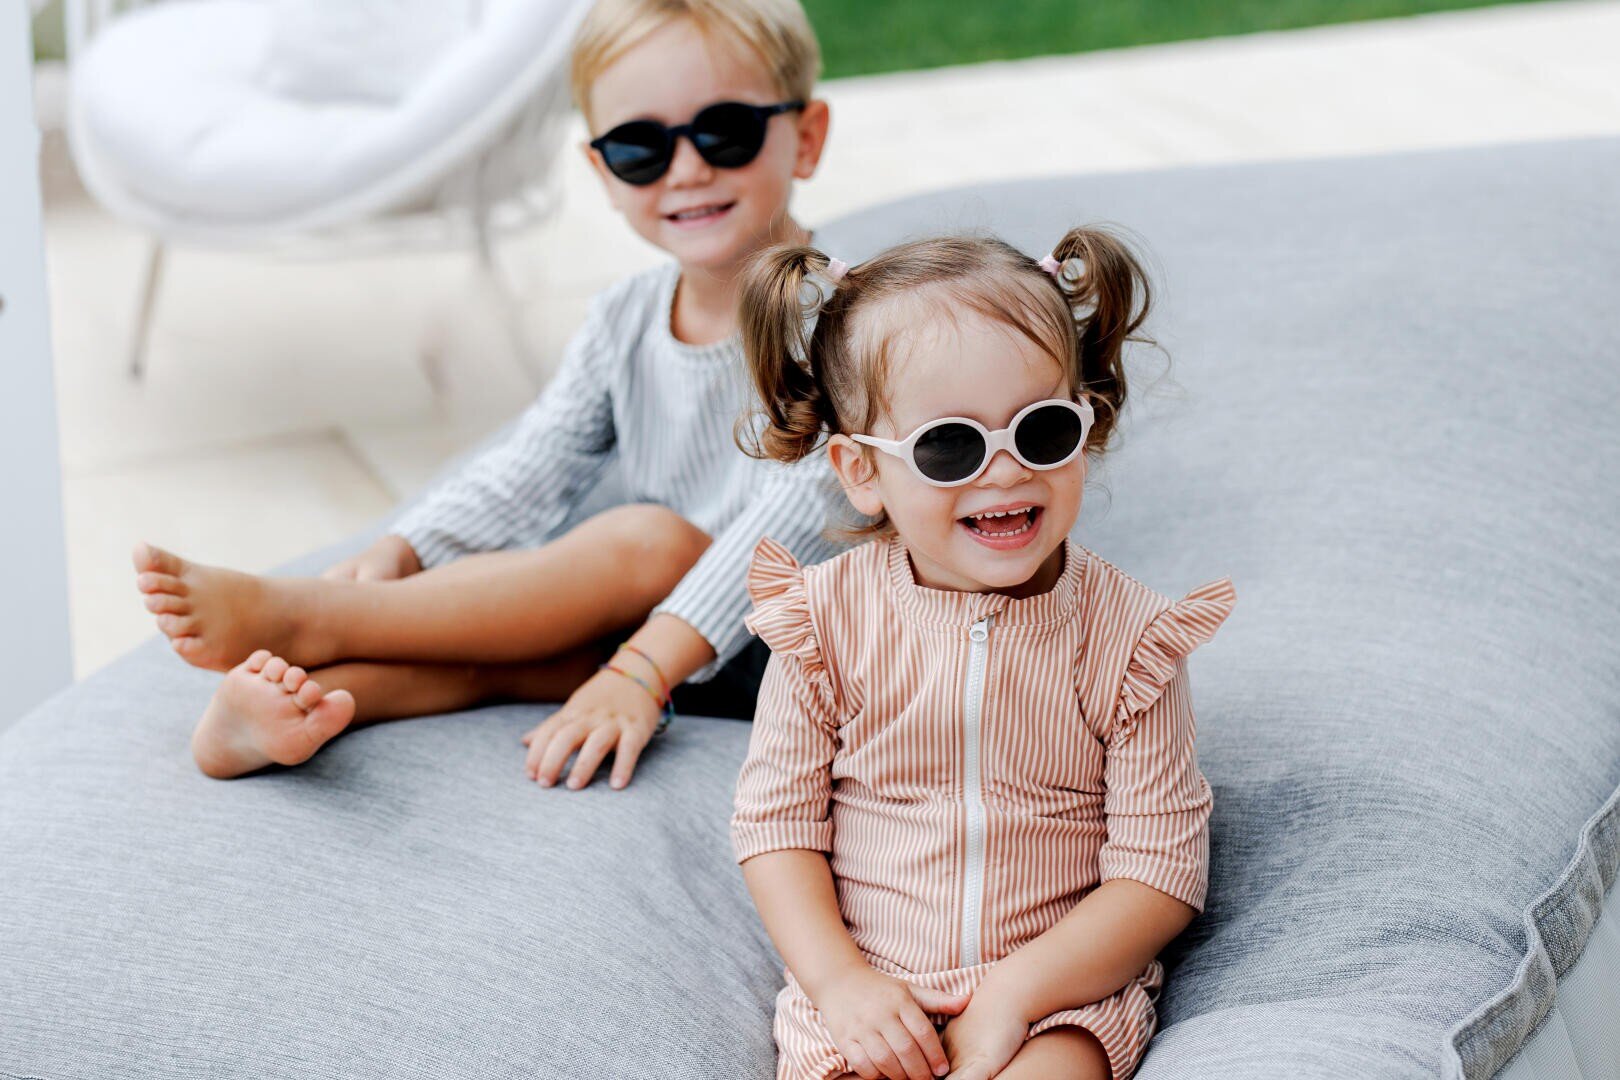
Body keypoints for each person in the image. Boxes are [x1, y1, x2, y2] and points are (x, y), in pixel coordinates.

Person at [130, 0, 842, 786]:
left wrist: (643, 666)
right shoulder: (625, 319)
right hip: (644, 639)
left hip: (786, 648)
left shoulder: (849, 324)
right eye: (639, 147)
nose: (687, 169)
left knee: (648, 540)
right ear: (602, 171)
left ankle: (312, 619)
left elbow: (795, 522)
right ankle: (289, 713)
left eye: (726, 132)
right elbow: (530, 464)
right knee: (496, 649)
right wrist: (407, 548)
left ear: (805, 138)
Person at [731, 229, 1235, 1080]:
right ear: (860, 470)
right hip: (870, 998)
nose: (1004, 474)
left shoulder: (1130, 640)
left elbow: (1158, 871)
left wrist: (1014, 995)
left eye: (1041, 431)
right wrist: (842, 983)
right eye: (950, 447)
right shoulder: (822, 625)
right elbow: (777, 827)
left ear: (1088, 423)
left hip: (1057, 1000)